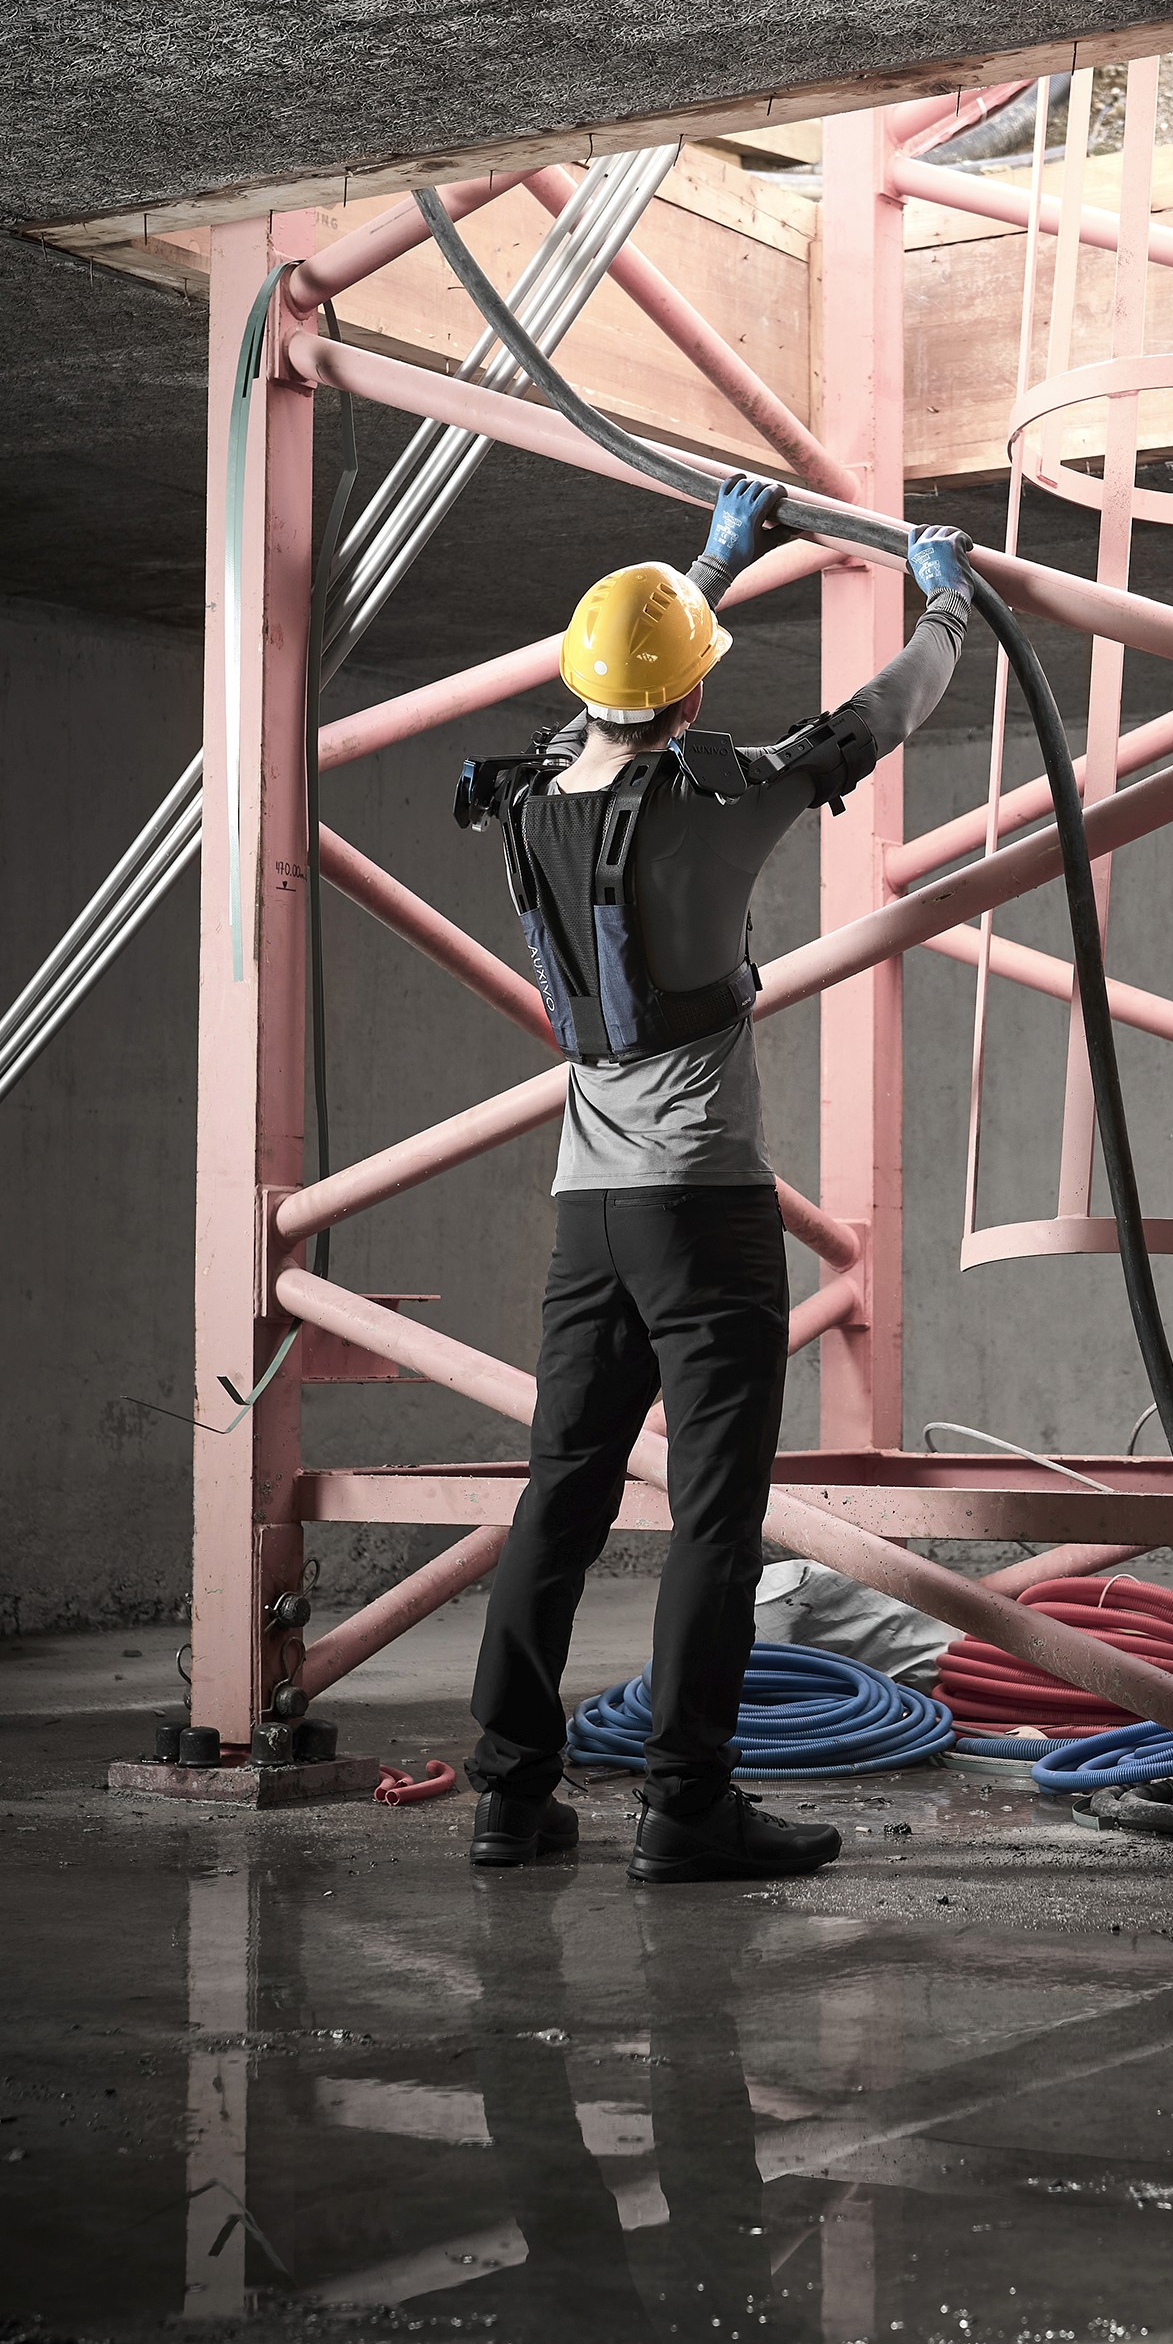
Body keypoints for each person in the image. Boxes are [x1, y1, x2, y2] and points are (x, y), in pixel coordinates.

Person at [463, 475, 972, 1881]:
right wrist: (947, 606)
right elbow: (866, 725)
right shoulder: (721, 799)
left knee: (560, 1492)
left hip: (590, 1214)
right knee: (713, 1518)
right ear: (695, 702)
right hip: (706, 1209)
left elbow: (621, 708)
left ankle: (510, 1795)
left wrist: (714, 562)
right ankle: (687, 1806)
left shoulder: (529, 801)